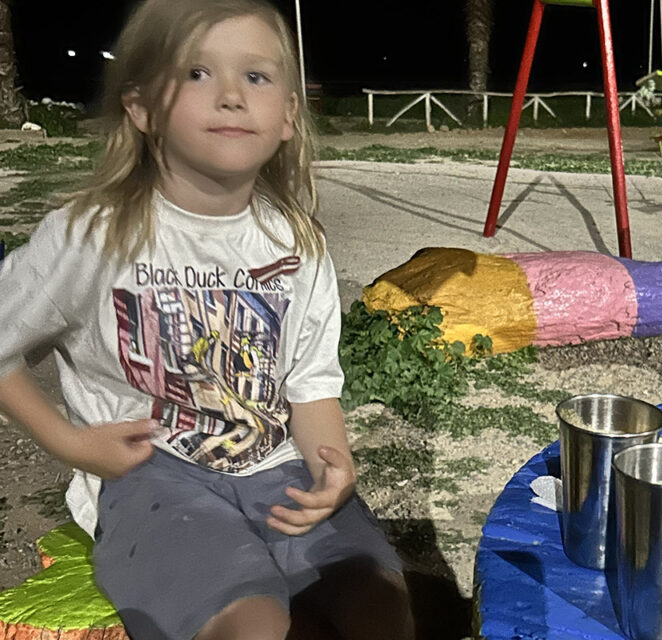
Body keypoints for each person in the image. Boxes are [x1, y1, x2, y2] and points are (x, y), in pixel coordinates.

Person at [0, 1, 415, 639]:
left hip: (279, 465)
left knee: (379, 604)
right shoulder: (90, 236)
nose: (230, 96)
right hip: (153, 480)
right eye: (196, 73)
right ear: (139, 108)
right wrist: (70, 443)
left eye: (256, 76)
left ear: (287, 116)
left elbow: (310, 382)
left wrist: (335, 468)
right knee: (254, 623)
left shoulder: (296, 243)